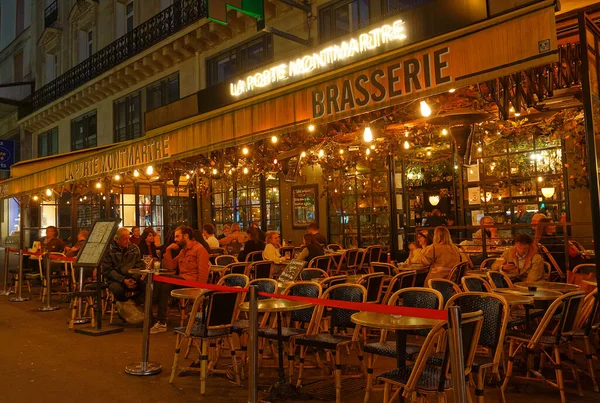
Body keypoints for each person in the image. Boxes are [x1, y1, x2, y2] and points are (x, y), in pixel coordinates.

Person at [152, 226, 210, 334]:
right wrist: (168, 250)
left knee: (161, 279)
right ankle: (161, 322)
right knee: (164, 285)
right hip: (181, 281)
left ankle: (152, 304)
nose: (175, 239)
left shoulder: (199, 249)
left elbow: (203, 272)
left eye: (177, 236)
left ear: (186, 236)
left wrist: (199, 291)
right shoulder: (183, 251)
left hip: (191, 283)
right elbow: (171, 267)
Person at [102, 228, 146, 309]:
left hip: (131, 277)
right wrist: (123, 280)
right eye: (125, 239)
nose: (128, 241)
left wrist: (133, 278)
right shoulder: (108, 250)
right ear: (116, 239)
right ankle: (126, 308)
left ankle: (131, 305)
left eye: (128, 238)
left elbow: (140, 265)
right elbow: (108, 270)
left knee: (147, 287)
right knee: (118, 290)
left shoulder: (133, 248)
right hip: (114, 279)